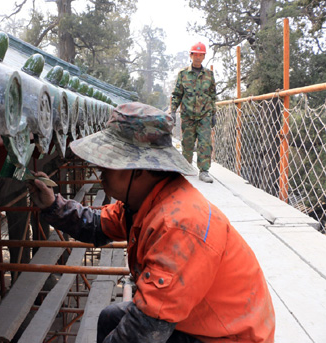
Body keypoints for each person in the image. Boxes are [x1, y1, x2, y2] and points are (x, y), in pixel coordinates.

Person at [28, 102, 275, 343]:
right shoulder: (146, 202)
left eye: (109, 163)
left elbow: (146, 330)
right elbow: (97, 225)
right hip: (196, 320)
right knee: (110, 318)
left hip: (225, 336)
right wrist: (53, 205)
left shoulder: (179, 226)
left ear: (139, 168)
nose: (101, 171)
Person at [171, 42, 217, 183]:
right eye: (195, 54)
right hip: (188, 115)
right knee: (187, 143)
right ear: (191, 55)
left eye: (200, 55)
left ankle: (204, 171)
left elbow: (212, 95)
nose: (197, 57)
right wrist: (172, 110)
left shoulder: (209, 75)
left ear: (204, 57)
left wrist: (213, 113)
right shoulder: (183, 74)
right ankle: (186, 169)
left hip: (204, 115)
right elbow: (177, 94)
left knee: (205, 143)